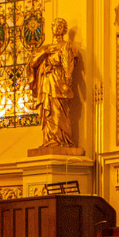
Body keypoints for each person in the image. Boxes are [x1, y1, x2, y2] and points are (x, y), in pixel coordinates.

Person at [26, 17, 78, 147]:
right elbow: (32, 63)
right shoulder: (45, 48)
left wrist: (68, 79)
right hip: (46, 82)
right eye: (55, 25)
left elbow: (69, 65)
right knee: (47, 110)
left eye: (60, 26)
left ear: (64, 30)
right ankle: (49, 139)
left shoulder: (66, 45)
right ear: (52, 28)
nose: (57, 28)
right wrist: (44, 53)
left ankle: (61, 139)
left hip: (59, 81)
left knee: (58, 110)